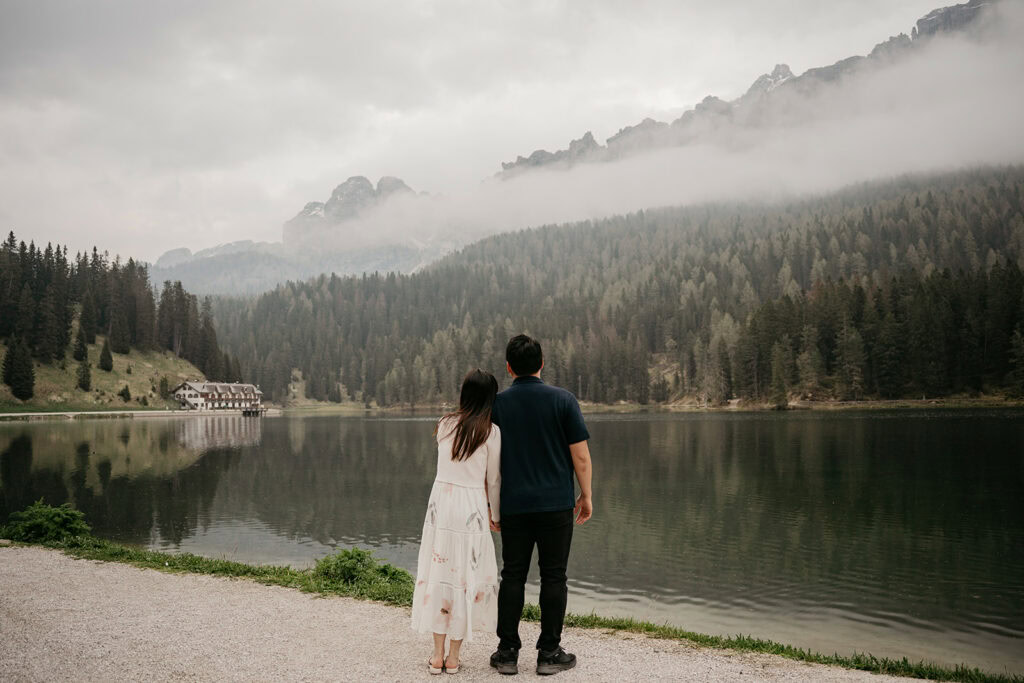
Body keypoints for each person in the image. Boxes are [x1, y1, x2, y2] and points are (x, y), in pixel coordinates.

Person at [489, 334, 593, 676]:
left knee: (512, 575)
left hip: (514, 505)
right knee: (554, 576)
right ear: (542, 363)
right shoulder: (563, 400)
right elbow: (580, 455)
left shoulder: (498, 405)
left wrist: (490, 505)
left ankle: (507, 652)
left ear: (508, 367)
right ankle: (549, 653)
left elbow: (487, 460)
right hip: (555, 506)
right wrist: (586, 495)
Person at [411, 369, 503, 675]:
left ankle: (436, 656)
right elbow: (493, 481)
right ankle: (453, 657)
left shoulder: (445, 424)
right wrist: (496, 515)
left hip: (441, 505)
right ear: (490, 398)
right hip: (471, 508)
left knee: (440, 574)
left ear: (464, 394)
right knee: (465, 575)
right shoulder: (490, 432)